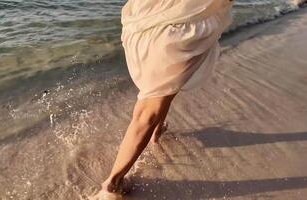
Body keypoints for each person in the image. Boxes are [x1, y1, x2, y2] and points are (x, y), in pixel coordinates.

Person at [94, 0, 234, 199]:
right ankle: (112, 183)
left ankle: (156, 132)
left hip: (144, 27)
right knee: (149, 109)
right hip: (179, 34)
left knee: (162, 87)